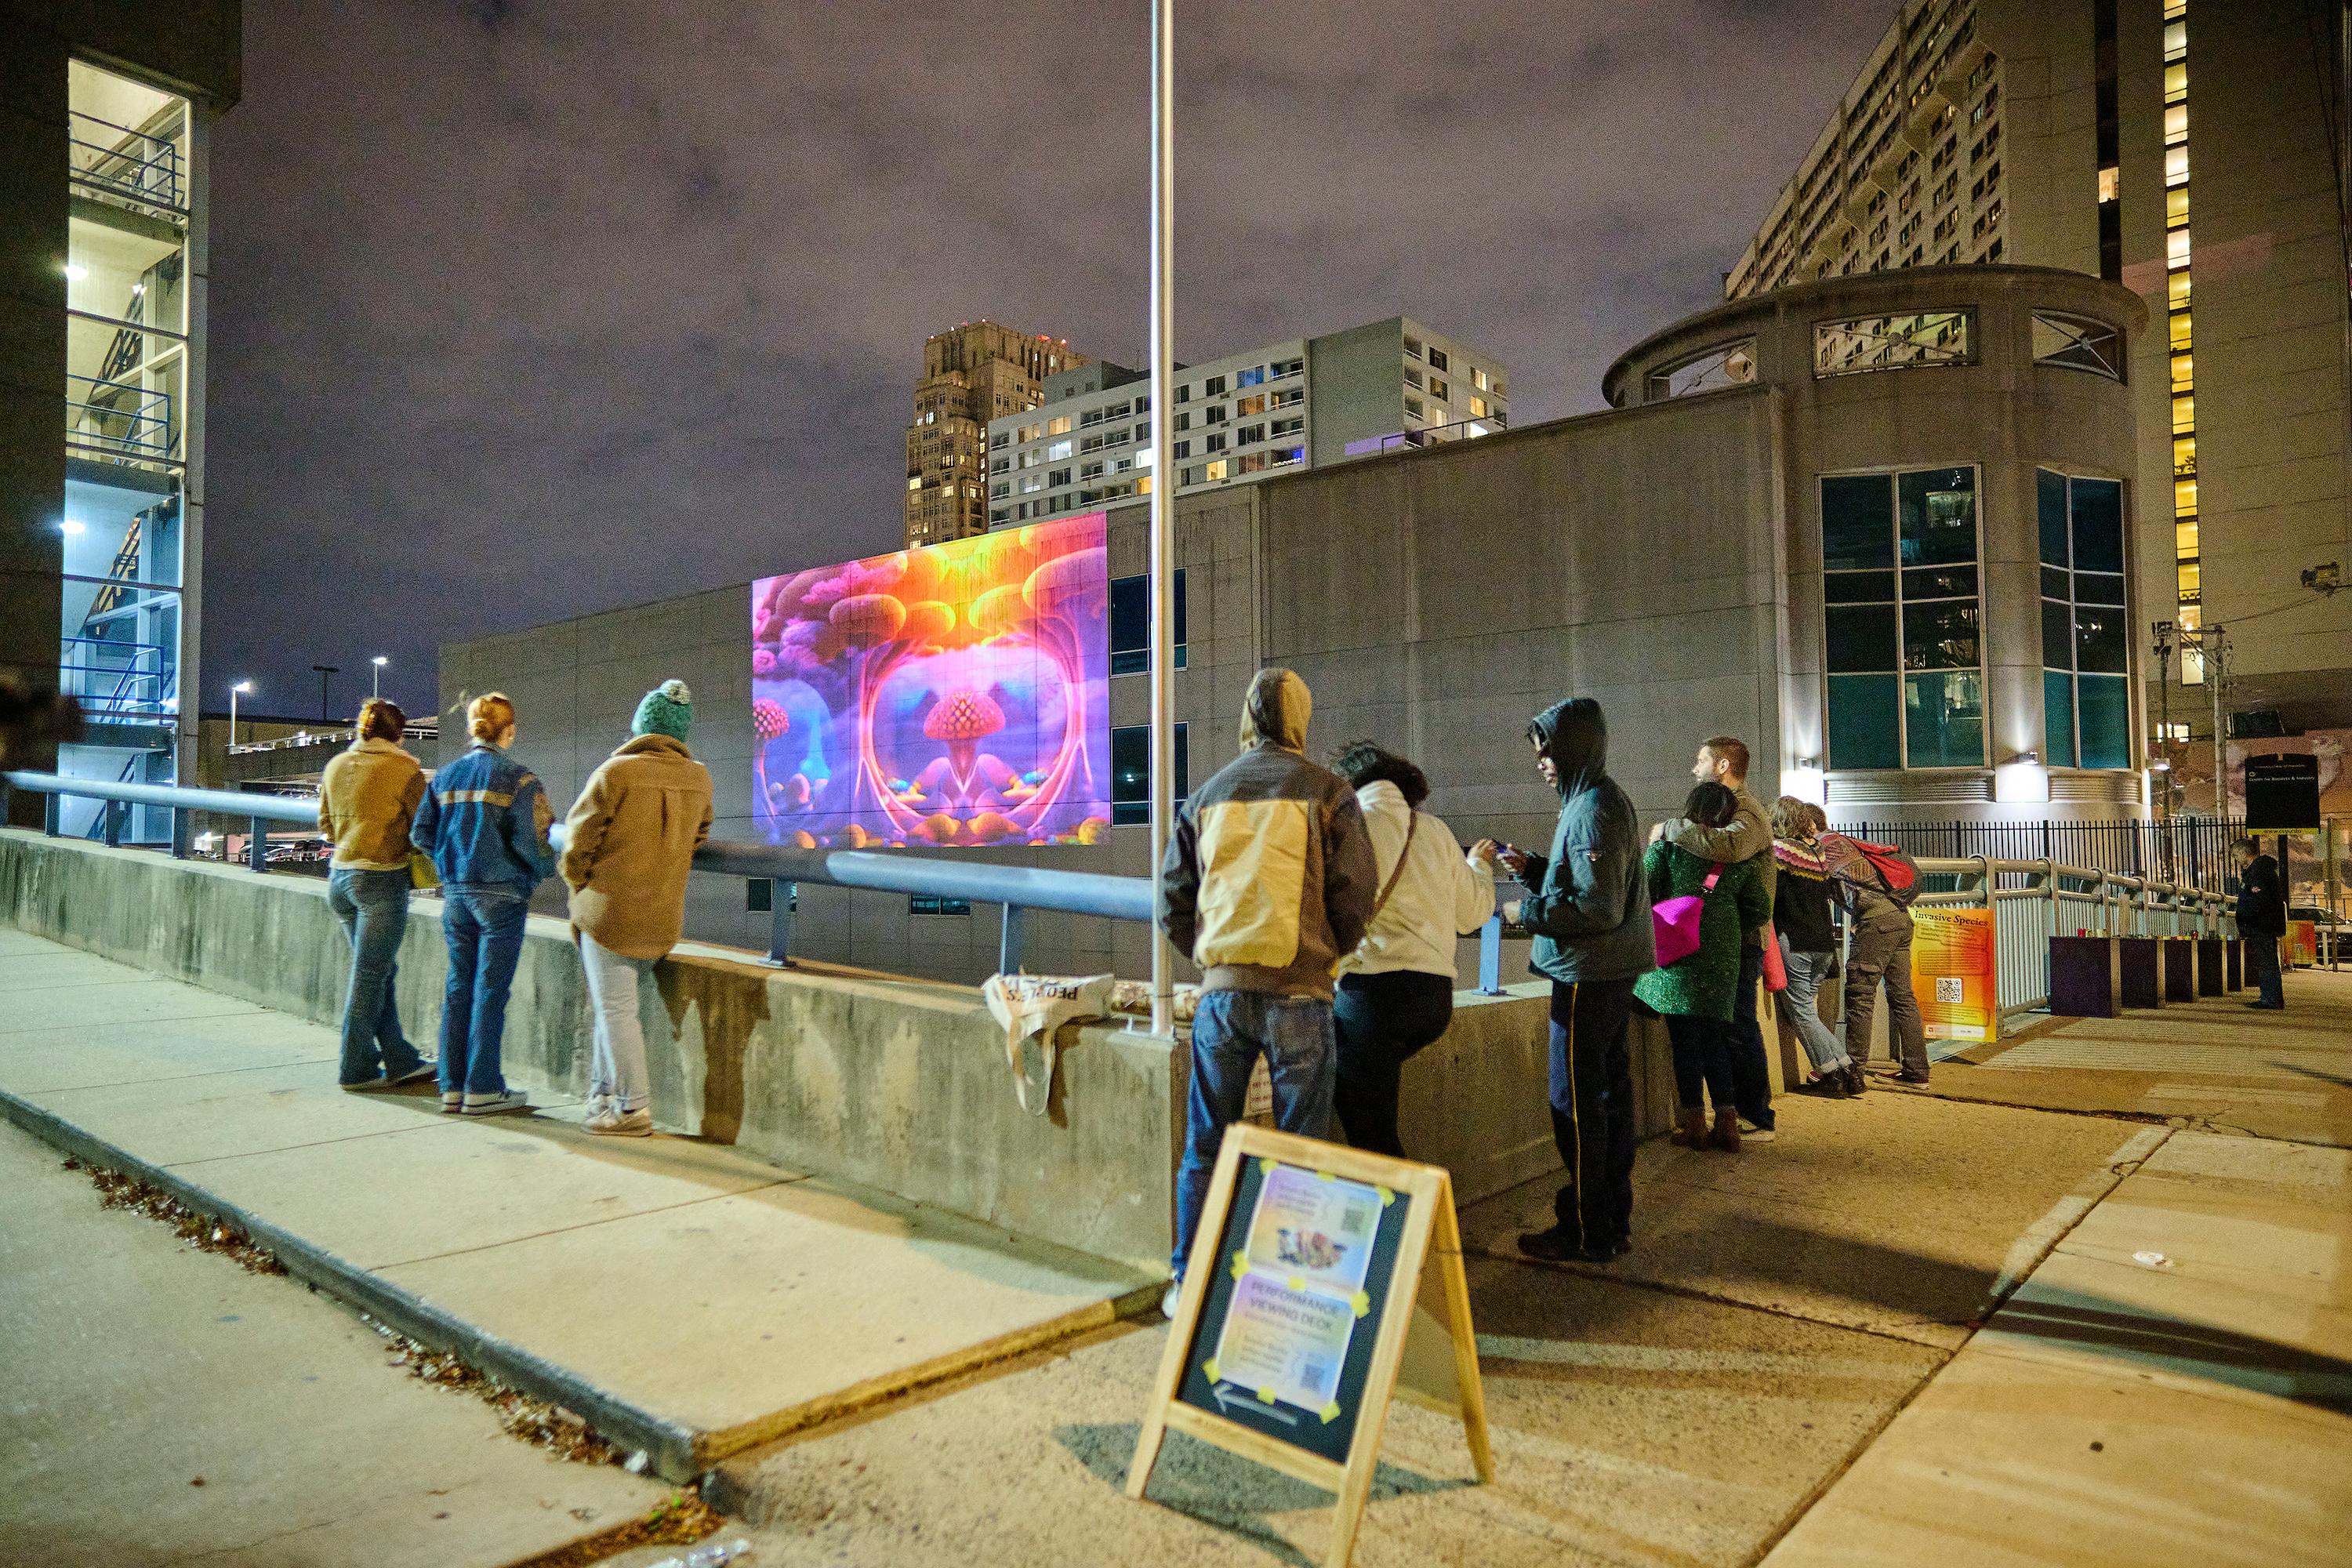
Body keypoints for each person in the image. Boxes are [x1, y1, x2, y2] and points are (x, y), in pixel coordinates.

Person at [1159, 670, 1377, 1311]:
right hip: (1301, 996)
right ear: (1301, 721)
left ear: (1247, 718)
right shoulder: (1331, 793)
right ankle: (1287, 1295)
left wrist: (1213, 959)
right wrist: (1322, 954)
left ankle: (1188, 1284)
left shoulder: (1203, 797)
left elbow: (1173, 900)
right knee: (1300, 1151)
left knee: (1205, 1144)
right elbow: (1355, 896)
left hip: (1221, 997)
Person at [1498, 698, 1653, 1264]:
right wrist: (1538, 869)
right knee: (1608, 1102)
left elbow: (1597, 907)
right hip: (1607, 975)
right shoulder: (1598, 803)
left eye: (1547, 752)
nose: (1540, 762)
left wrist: (1525, 913)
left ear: (1572, 749)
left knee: (1576, 1107)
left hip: (1588, 976)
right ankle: (1610, 1220)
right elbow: (1590, 885)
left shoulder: (1591, 809)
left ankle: (1588, 1228)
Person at [1327, 740, 1499, 1157]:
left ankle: (1409, 1217)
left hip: (1371, 999)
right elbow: (1472, 915)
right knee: (1368, 1111)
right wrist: (1479, 867)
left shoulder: (1352, 827)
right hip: (1432, 1001)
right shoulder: (1435, 831)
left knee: (1369, 1131)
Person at [561, 680, 714, 1137]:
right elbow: (699, 837)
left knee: (615, 1012)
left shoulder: (615, 772)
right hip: (662, 914)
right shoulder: (700, 777)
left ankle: (632, 1109)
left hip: (608, 913)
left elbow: (576, 845)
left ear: (641, 725)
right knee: (617, 1008)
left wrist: (580, 883)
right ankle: (604, 1098)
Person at [412, 692, 557, 1116]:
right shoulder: (520, 779)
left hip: (457, 892)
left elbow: (421, 833)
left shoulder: (445, 777)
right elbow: (534, 841)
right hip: (503, 895)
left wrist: (447, 862)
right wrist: (541, 871)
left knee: (459, 988)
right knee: (490, 991)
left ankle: (452, 1088)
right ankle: (483, 1086)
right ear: (509, 731)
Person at [1635, 782, 1773, 1151]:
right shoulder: (1739, 858)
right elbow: (1760, 909)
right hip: (1724, 956)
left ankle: (1694, 1124)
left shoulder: (1668, 846)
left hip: (1679, 954)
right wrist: (1724, 924)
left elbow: (1644, 890)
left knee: (1684, 1041)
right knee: (1715, 1038)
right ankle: (1727, 1124)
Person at [318, 698, 433, 1091]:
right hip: (381, 881)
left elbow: (326, 828)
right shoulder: (405, 768)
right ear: (398, 732)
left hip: (339, 879)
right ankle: (356, 1067)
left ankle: (400, 1058)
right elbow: (424, 828)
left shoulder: (335, 766)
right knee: (370, 976)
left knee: (379, 972)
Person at [1771, 797, 1863, 1098]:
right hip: (1824, 945)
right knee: (1806, 1009)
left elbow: (1773, 898)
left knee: (1800, 1012)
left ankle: (1832, 1071)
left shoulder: (1781, 851)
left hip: (1796, 941)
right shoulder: (1818, 853)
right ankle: (1849, 1071)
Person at [1828, 832, 1929, 1084]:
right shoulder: (1849, 845)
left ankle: (1854, 1073)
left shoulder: (1827, 848)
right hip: (1901, 918)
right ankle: (1917, 1073)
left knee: (1860, 996)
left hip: (1877, 925)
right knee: (1903, 998)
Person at [2235, 838, 2287, 1011]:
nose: (2236, 858)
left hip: (2261, 925)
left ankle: (2271, 999)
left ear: (2245, 853)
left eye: (2236, 854)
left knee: (2267, 962)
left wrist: (2247, 917)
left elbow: (2259, 901)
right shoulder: (2261, 871)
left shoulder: (2258, 873)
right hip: (2264, 924)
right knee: (2266, 962)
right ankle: (2268, 997)